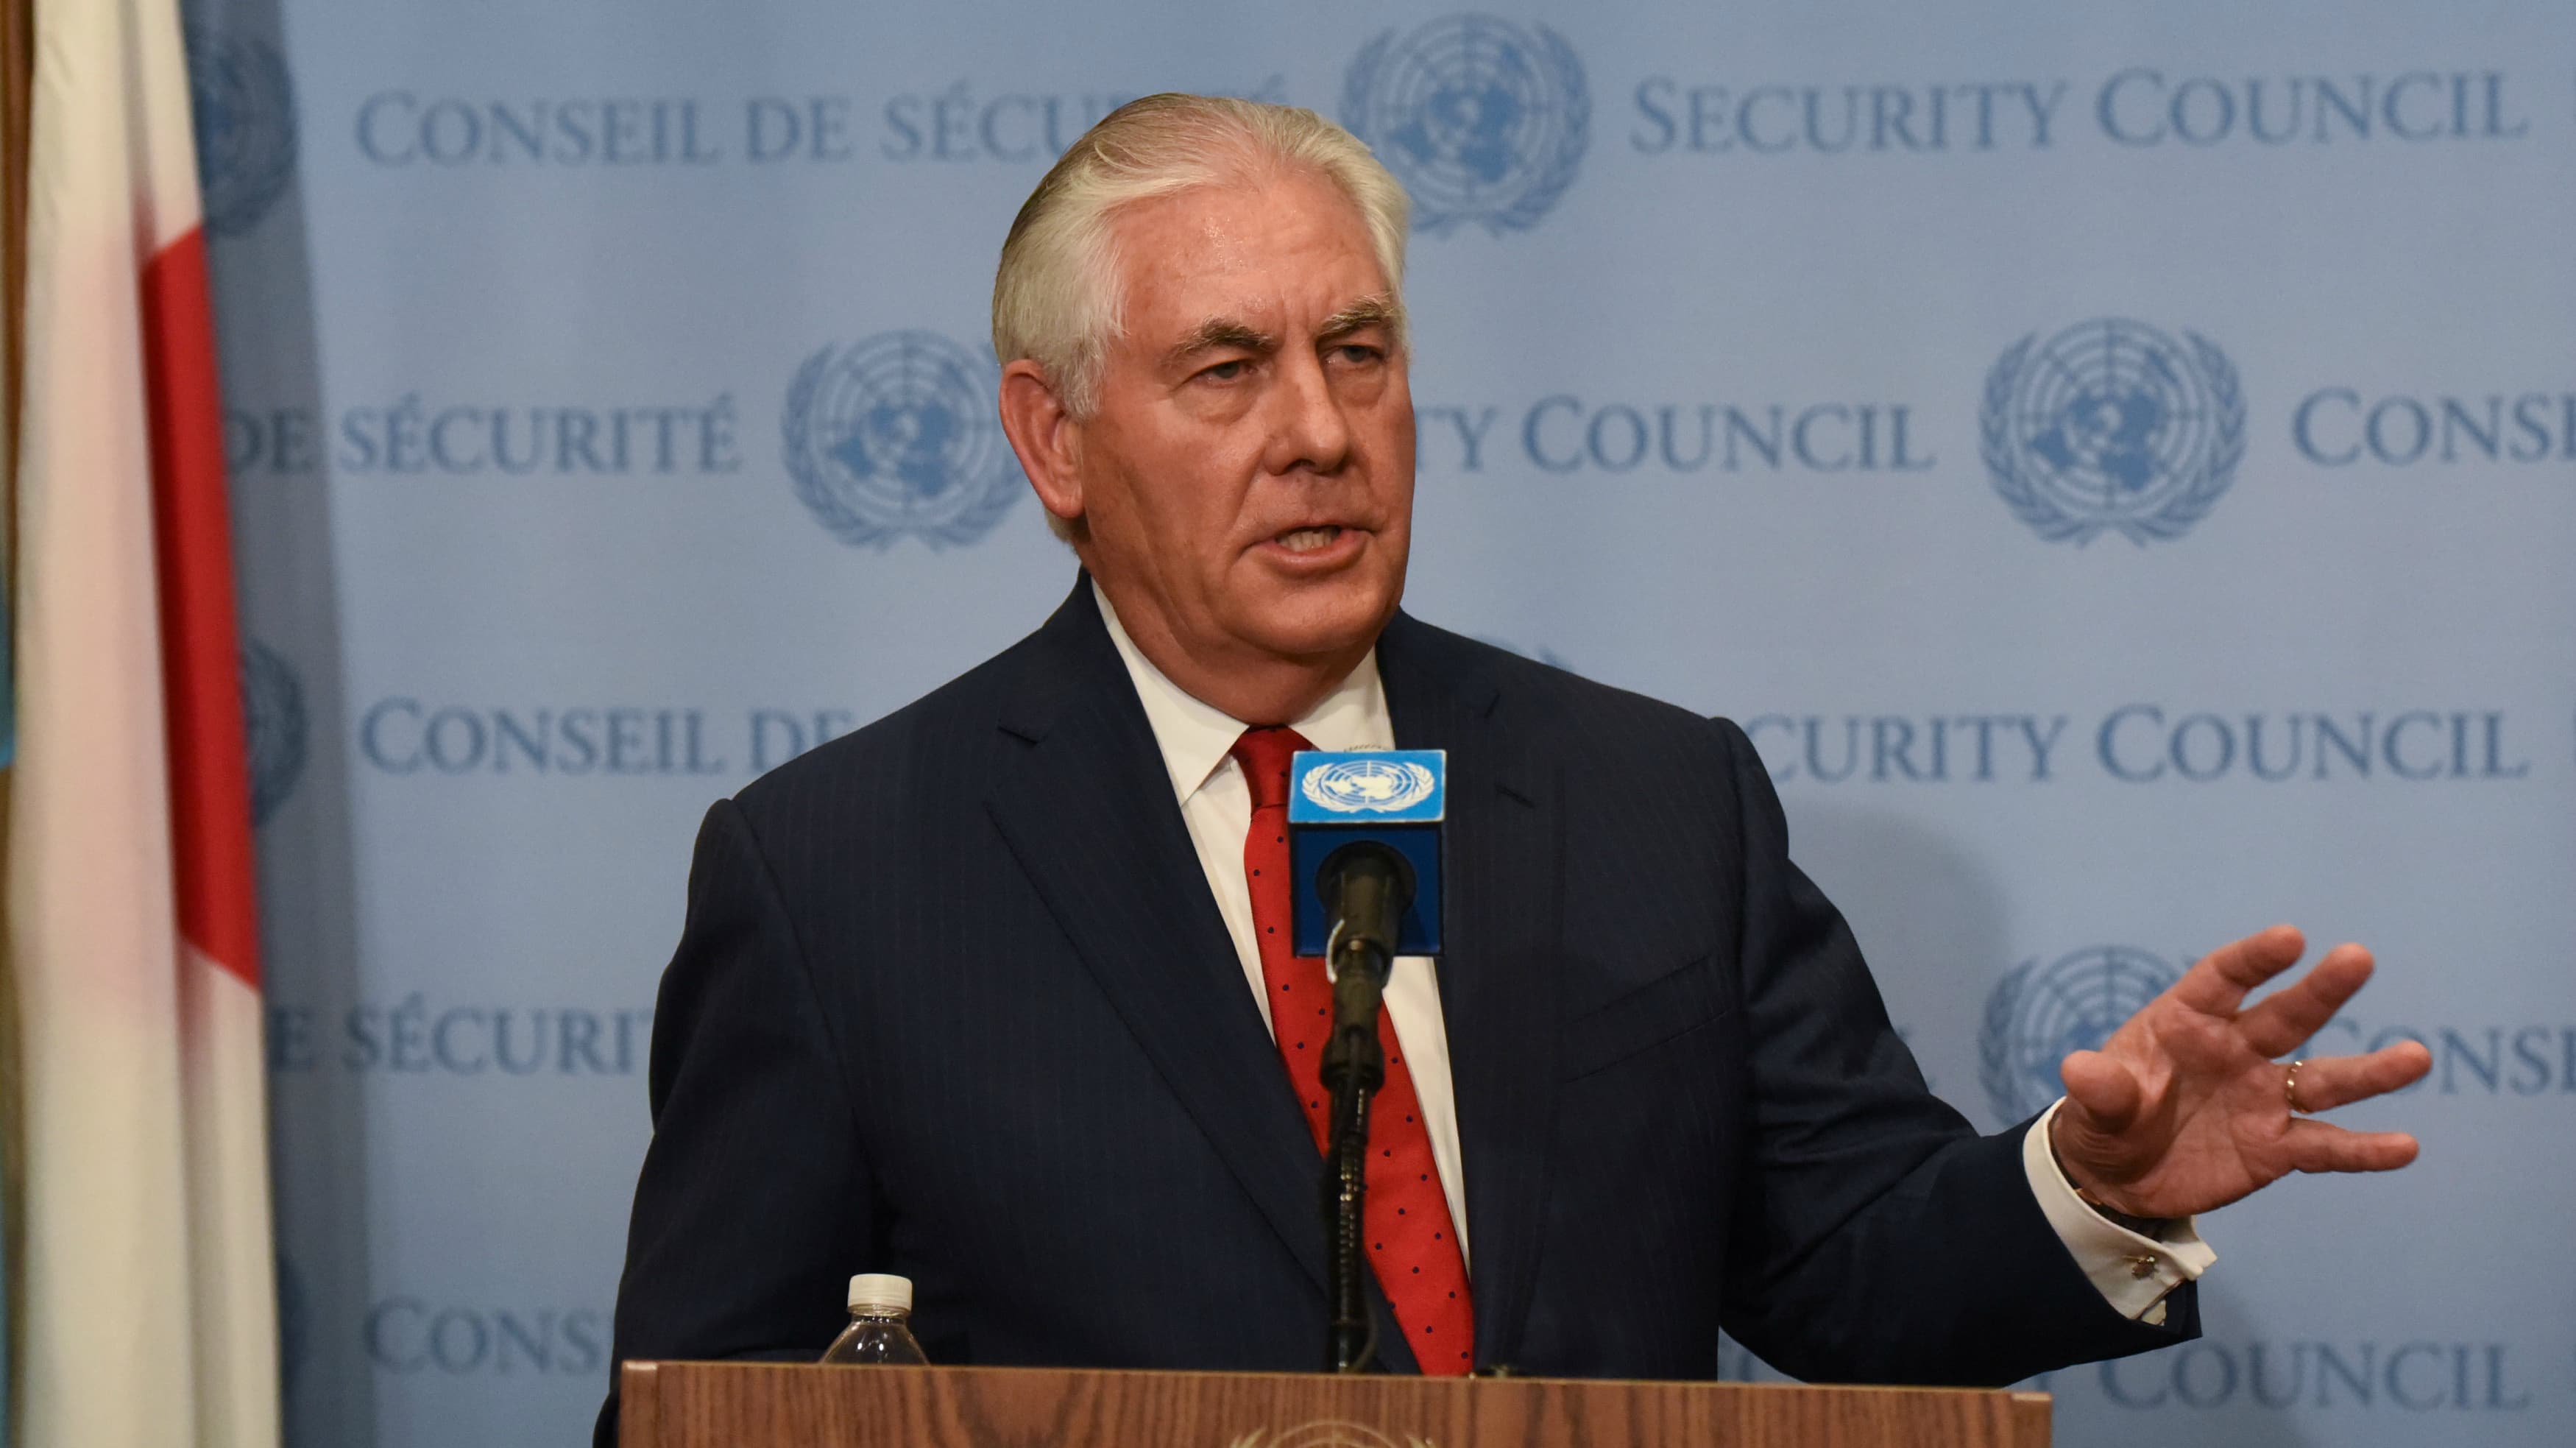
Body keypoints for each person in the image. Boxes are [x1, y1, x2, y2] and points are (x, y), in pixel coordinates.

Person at [595, 94, 2428, 1444]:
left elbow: (1855, 1269)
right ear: (1053, 439)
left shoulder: (1653, 799)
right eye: (1227, 369)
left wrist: (2092, 1186)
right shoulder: (841, 875)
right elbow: (706, 1407)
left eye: (1358, 352)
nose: (1320, 432)